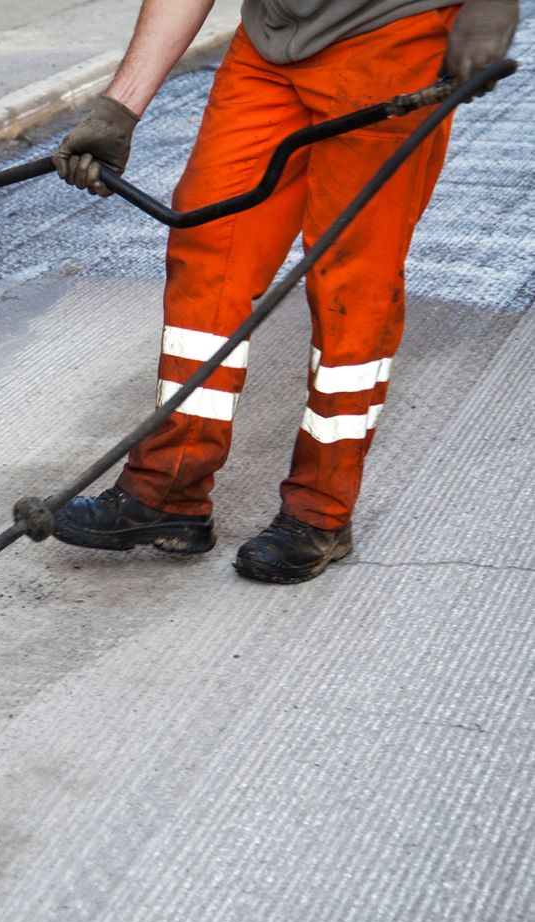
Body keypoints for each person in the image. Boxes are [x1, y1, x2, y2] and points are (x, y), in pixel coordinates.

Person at [50, 0, 518, 582]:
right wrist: (119, 107)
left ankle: (319, 512)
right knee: (207, 246)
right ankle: (167, 492)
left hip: (393, 39)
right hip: (270, 46)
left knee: (352, 281)